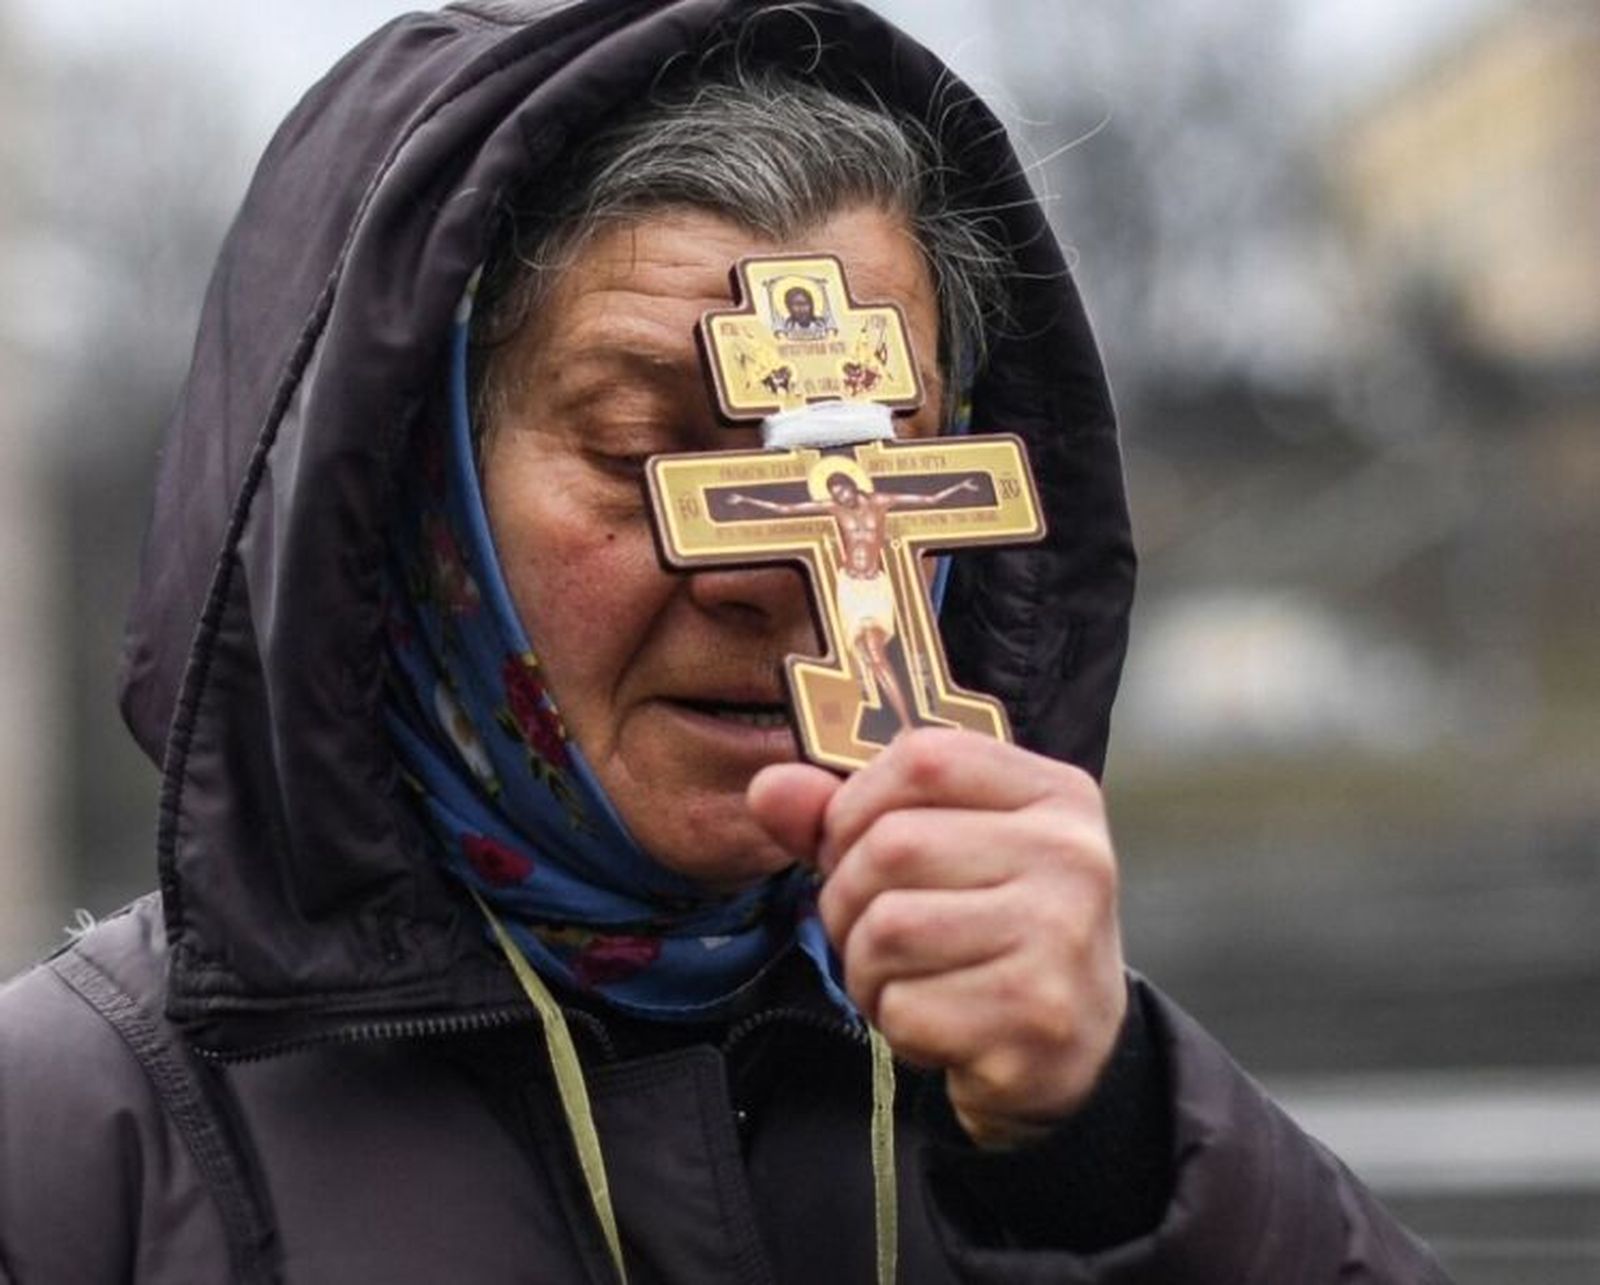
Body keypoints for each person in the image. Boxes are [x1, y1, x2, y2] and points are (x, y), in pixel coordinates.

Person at [0, 2, 1452, 1282]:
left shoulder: (1060, 1075)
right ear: (401, 497)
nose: (789, 575)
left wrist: (1106, 1144)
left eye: (882, 458)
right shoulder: (75, 1147)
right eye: (651, 453)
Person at [728, 465, 982, 732]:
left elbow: (930, 500)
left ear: (853, 485)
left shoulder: (879, 501)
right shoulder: (835, 508)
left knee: (876, 653)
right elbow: (785, 510)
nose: (841, 498)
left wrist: (961, 487)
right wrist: (745, 499)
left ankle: (903, 722)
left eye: (843, 492)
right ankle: (881, 716)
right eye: (835, 494)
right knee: (863, 656)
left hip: (874, 584)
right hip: (849, 585)